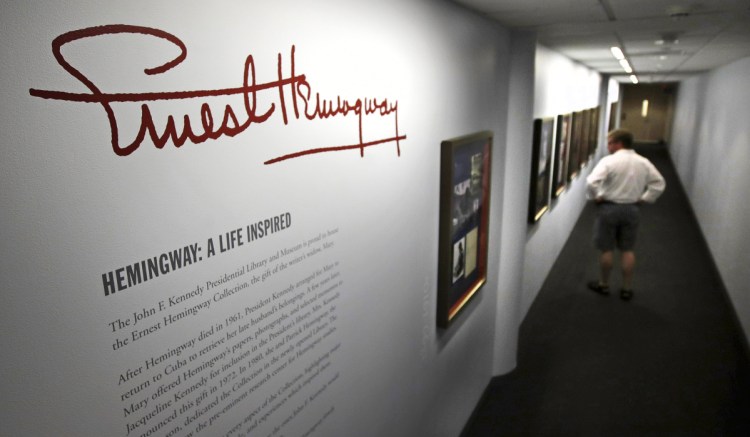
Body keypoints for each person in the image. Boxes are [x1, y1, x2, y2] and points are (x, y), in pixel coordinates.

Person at [585, 129, 666, 301]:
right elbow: (659, 183)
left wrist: (597, 197)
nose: (608, 146)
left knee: (607, 248)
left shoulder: (609, 161)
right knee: (627, 250)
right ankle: (626, 288)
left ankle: (604, 284)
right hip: (632, 209)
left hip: (609, 208)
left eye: (609, 143)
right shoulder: (643, 162)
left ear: (618, 143)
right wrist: (644, 199)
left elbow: (592, 182)